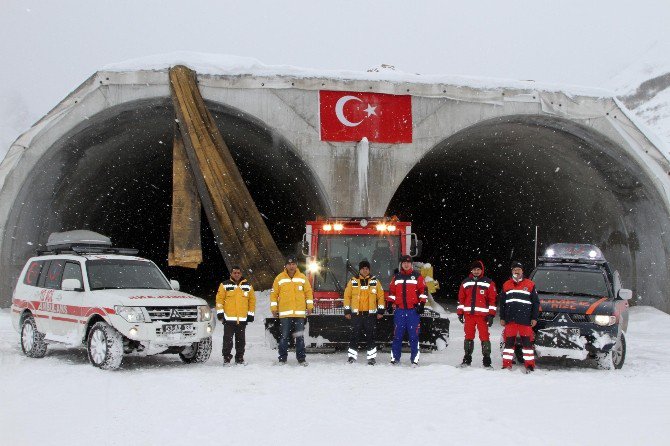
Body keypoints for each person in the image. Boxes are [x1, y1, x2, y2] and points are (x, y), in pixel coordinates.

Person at [270, 256, 314, 366]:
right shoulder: (279, 278)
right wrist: (274, 309)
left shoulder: (302, 278)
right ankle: (282, 359)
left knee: (299, 337)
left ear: (296, 265)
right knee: (284, 337)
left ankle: (301, 359)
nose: (291, 266)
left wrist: (309, 306)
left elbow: (308, 293)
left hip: (299, 313)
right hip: (285, 314)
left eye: (293, 264)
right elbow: (274, 295)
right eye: (289, 264)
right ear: (285, 265)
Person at [499, 261, 540, 372]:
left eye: (518, 269)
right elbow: (502, 303)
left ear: (522, 271)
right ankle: (506, 365)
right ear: (512, 271)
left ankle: (530, 365)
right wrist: (502, 317)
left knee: (527, 345)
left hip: (525, 320)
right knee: (509, 344)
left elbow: (536, 303)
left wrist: (534, 318)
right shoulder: (506, 284)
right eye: (514, 269)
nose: (516, 271)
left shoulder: (530, 284)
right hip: (510, 320)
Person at [387, 254, 427, 366]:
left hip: (412, 312)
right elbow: (392, 292)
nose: (406, 264)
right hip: (399, 311)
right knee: (397, 336)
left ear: (411, 264)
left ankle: (414, 360)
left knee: (414, 336)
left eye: (408, 262)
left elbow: (423, 292)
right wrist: (390, 303)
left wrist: (421, 304)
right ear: (401, 264)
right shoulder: (396, 277)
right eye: (404, 262)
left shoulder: (417, 277)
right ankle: (395, 358)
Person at [343, 260, 385, 365]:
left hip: (370, 315)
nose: (365, 270)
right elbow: (347, 297)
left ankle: (371, 358)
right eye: (363, 268)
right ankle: (352, 357)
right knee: (354, 336)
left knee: (371, 336)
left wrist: (380, 311)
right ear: (360, 270)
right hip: (356, 315)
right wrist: (347, 311)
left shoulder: (375, 281)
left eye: (366, 268)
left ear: (369, 270)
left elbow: (380, 297)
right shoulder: (353, 281)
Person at [457, 260, 497, 368]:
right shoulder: (465, 282)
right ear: (471, 270)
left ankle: (487, 360)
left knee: (484, 337)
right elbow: (461, 299)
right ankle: (467, 359)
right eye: (474, 269)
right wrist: (460, 313)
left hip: (482, 317)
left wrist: (491, 315)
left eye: (478, 269)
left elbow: (492, 300)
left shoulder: (488, 283)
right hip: (469, 316)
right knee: (468, 337)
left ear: (481, 270)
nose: (476, 271)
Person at [215, 266, 256, 366]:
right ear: (231, 274)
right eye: (235, 273)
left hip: (242, 319)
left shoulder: (248, 286)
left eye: (238, 273)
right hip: (228, 319)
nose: (237, 274)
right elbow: (219, 300)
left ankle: (239, 358)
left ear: (241, 274)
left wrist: (250, 314)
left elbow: (252, 301)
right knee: (227, 340)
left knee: (241, 340)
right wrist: (220, 313)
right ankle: (226, 359)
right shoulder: (224, 285)